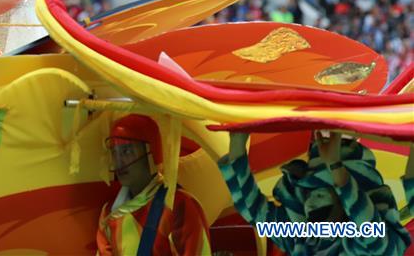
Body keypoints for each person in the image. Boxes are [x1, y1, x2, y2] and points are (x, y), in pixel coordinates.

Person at [218, 130, 411, 256]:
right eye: (316, 194)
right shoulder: (373, 244)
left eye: (314, 195)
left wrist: (237, 142)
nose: (309, 203)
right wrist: (334, 166)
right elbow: (370, 230)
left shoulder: (302, 237)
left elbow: (253, 210)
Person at [97, 115, 211, 255]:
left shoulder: (179, 205)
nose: (119, 161)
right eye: (115, 153)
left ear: (151, 152)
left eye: (127, 151)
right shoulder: (108, 213)